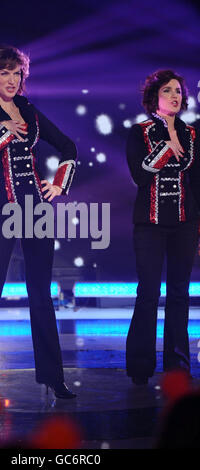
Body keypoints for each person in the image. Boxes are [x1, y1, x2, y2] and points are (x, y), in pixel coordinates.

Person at [0, 45, 77, 401]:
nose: (11, 79)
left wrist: (57, 185)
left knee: (41, 294)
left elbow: (68, 146)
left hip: (36, 210)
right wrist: (3, 130)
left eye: (16, 73)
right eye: (4, 72)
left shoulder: (30, 111)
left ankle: (54, 378)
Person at [126, 69, 200, 385]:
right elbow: (140, 176)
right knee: (148, 292)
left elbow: (197, 182)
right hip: (150, 225)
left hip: (185, 223)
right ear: (155, 96)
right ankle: (141, 366)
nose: (174, 96)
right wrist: (168, 143)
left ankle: (177, 366)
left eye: (178, 91)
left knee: (180, 294)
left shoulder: (193, 134)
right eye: (168, 90)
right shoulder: (139, 132)